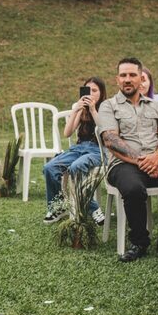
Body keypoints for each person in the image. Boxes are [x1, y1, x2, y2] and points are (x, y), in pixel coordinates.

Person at [96, 57, 158, 261]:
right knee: (133, 189)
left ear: (141, 78)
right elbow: (111, 140)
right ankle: (139, 242)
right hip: (123, 164)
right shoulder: (108, 106)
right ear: (117, 79)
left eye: (132, 75)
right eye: (123, 75)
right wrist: (143, 161)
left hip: (157, 160)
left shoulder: (156, 107)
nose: (127, 79)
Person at [42, 77, 106, 225]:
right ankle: (57, 207)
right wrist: (76, 110)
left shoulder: (106, 108)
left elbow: (104, 131)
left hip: (98, 150)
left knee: (76, 167)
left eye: (95, 90)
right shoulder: (81, 109)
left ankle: (93, 208)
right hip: (79, 148)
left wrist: (93, 110)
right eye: (88, 90)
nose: (90, 94)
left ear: (102, 93)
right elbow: (67, 133)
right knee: (49, 168)